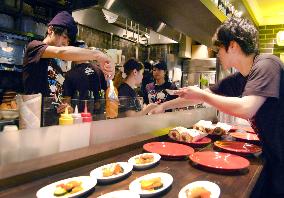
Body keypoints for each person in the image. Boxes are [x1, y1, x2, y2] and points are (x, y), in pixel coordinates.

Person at [150, 16, 284, 197]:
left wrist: (202, 95)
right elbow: (199, 95)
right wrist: (164, 106)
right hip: (273, 153)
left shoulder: (268, 64)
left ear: (233, 46)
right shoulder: (241, 77)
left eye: (219, 48)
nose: (217, 53)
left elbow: (247, 108)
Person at [23, 11, 114, 125]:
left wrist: (66, 108)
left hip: (53, 124)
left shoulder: (57, 67)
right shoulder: (34, 48)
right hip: (35, 123)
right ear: (50, 30)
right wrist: (98, 55)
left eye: (68, 41)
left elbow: (57, 99)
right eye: (64, 37)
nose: (66, 43)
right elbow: (60, 52)